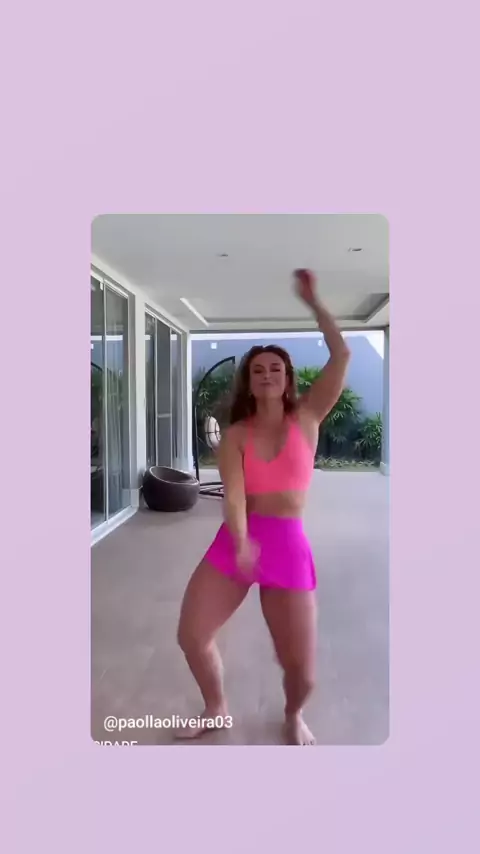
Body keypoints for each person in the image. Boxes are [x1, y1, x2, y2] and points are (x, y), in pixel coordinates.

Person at [177, 270, 351, 745]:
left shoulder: (308, 417)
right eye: (258, 370)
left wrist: (314, 302)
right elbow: (234, 495)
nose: (267, 374)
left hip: (288, 545)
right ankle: (216, 708)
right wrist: (239, 542)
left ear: (288, 378)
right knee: (192, 635)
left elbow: (341, 355)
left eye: (276, 368)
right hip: (239, 538)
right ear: (249, 383)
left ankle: (293, 713)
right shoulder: (236, 435)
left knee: (302, 672)